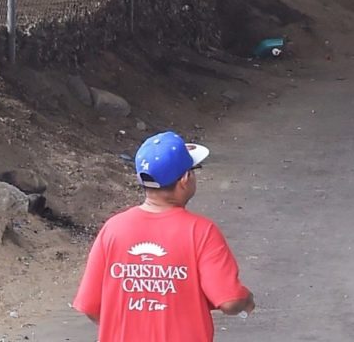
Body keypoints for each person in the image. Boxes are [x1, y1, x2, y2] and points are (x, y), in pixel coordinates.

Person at [73, 131, 256, 342]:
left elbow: (92, 306)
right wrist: (246, 299)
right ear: (185, 179)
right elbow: (230, 301)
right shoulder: (201, 231)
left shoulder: (113, 229)